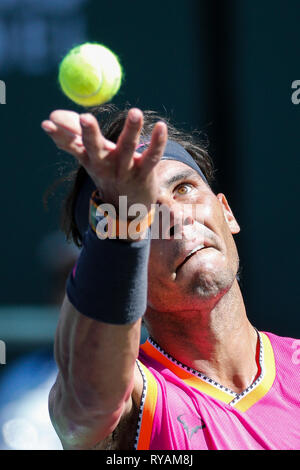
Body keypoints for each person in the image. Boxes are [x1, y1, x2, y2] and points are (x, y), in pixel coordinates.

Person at [41, 106, 300, 450]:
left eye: (184, 189)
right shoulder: (136, 399)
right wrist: (120, 223)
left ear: (226, 211)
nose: (177, 217)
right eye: (145, 214)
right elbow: (84, 407)